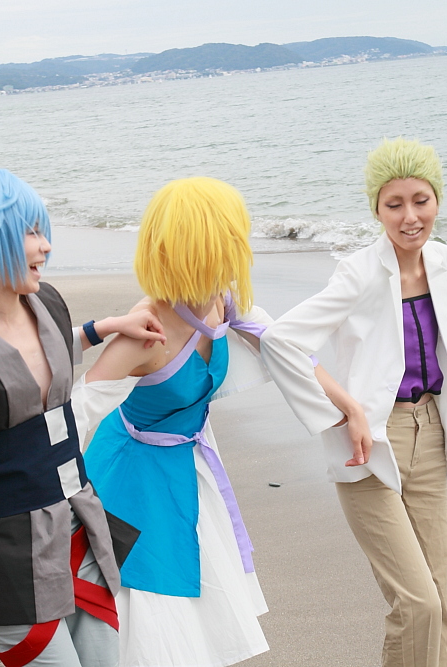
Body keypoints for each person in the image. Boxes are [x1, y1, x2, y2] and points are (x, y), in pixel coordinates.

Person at [0, 169, 165, 667]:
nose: (46, 246)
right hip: (8, 556)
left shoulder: (44, 303)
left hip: (78, 528)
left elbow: (44, 356)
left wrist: (107, 327)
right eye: (32, 233)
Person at [260, 138, 447, 667]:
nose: (410, 217)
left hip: (430, 433)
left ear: (438, 200)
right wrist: (348, 409)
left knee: (440, 601)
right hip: (369, 444)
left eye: (421, 200)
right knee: (418, 602)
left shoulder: (443, 261)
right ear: (376, 209)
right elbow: (281, 341)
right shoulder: (358, 273)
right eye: (394, 204)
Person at [74, 176, 289, 667]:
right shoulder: (145, 328)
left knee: (198, 613)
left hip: (189, 469)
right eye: (227, 240)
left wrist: (347, 409)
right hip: (129, 480)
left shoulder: (222, 302)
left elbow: (290, 352)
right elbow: (79, 409)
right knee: (151, 621)